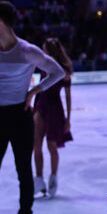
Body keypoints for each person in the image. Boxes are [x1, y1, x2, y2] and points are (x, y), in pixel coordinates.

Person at [0, 1, 65, 214]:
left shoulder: (27, 51)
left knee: (24, 174)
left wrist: (34, 90)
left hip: (20, 117)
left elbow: (57, 72)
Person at [33, 37, 73, 197]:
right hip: (40, 105)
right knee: (36, 145)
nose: (43, 52)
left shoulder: (63, 72)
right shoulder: (43, 65)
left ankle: (53, 178)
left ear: (50, 51)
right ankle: (38, 179)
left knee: (51, 145)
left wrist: (68, 119)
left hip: (55, 109)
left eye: (45, 49)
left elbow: (69, 97)